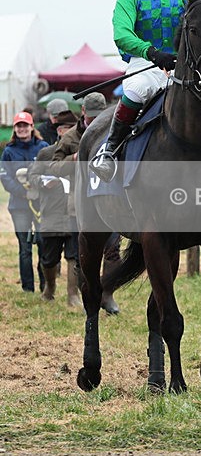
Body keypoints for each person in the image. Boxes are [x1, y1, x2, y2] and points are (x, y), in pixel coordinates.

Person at [90, 0, 186, 182]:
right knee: (135, 89)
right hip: (146, 65)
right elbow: (122, 35)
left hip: (183, 67)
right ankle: (109, 151)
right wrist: (153, 53)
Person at [49, 93, 121, 314]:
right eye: (91, 117)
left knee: (113, 251)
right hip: (80, 202)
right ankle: (86, 291)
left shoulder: (114, 131)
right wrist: (74, 159)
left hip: (109, 198)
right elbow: (54, 166)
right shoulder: (70, 138)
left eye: (98, 116)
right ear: (83, 113)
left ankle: (107, 294)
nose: (94, 121)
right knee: (85, 252)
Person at [26, 111, 80, 303]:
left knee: (74, 256)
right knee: (49, 258)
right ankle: (49, 289)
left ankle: (73, 294)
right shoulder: (46, 153)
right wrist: (42, 181)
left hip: (74, 212)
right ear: (59, 130)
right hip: (51, 212)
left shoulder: (82, 152)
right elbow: (31, 176)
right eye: (68, 128)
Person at [0, 112, 48, 292]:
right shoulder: (9, 151)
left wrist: (40, 190)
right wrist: (24, 193)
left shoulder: (43, 147)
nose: (22, 129)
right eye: (18, 126)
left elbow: (51, 169)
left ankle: (46, 284)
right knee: (25, 247)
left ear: (32, 127)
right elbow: (6, 179)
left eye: (25, 125)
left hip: (42, 206)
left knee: (44, 244)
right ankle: (28, 287)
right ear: (14, 129)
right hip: (19, 207)